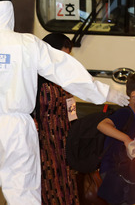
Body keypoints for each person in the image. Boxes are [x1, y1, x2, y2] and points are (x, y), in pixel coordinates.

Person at [0, 0, 129, 205]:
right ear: (9, 10)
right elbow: (66, 71)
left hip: (18, 123)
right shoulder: (27, 45)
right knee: (23, 191)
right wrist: (107, 93)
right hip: (16, 128)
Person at [34, 33, 80, 205]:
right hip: (42, 143)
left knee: (65, 183)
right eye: (62, 56)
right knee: (47, 183)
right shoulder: (33, 76)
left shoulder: (64, 77)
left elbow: (71, 109)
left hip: (64, 142)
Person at [96, 72, 135, 205]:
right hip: (113, 172)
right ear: (134, 95)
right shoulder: (125, 113)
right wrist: (126, 139)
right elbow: (102, 125)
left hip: (124, 173)